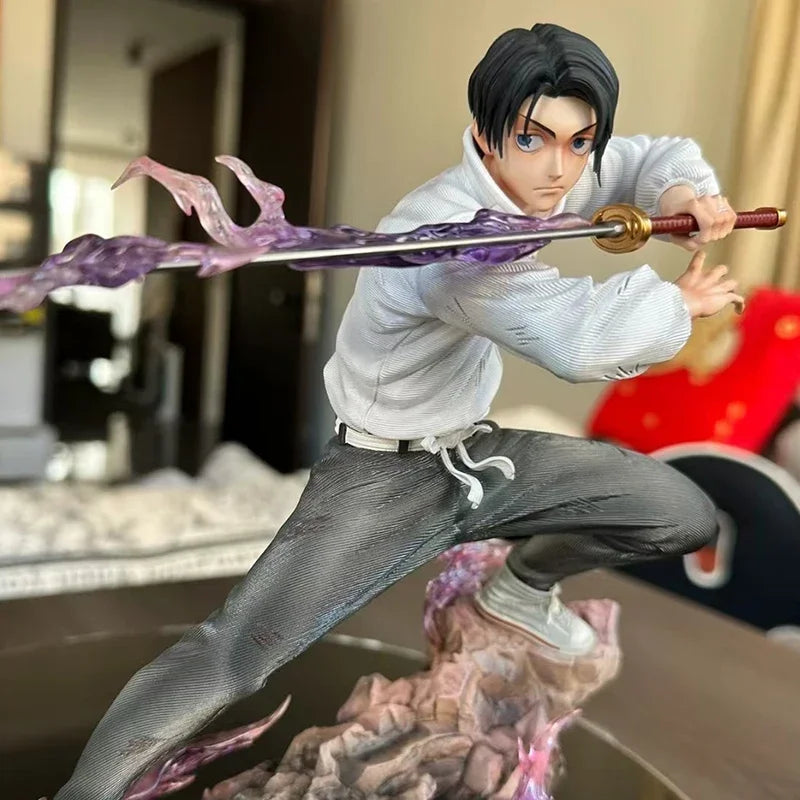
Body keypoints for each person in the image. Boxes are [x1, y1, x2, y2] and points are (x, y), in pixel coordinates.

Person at [54, 22, 743, 800]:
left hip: (478, 457)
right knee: (234, 654)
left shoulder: (551, 172)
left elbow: (647, 157)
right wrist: (677, 302)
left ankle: (518, 589)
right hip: (381, 477)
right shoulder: (444, 243)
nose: (560, 168)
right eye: (534, 139)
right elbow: (574, 342)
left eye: (579, 142)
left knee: (676, 512)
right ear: (486, 132)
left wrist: (682, 196)